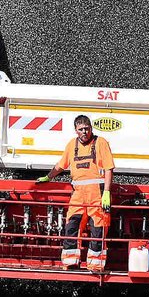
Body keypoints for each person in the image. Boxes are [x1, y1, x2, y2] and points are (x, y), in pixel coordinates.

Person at [47, 114, 115, 272]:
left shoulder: (101, 142)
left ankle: (95, 265)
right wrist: (48, 177)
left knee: (98, 228)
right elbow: (61, 165)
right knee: (72, 225)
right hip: (77, 194)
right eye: (81, 129)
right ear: (75, 130)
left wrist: (106, 192)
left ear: (91, 128)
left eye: (87, 128)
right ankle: (71, 262)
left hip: (97, 194)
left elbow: (108, 168)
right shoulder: (72, 145)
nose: (85, 132)